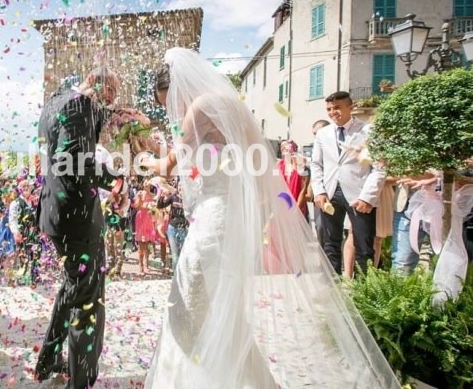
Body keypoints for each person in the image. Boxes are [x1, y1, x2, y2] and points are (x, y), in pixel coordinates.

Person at [140, 48, 400, 389]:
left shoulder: (199, 108)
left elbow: (170, 166)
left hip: (213, 220)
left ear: (179, 88)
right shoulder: (229, 105)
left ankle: (209, 379)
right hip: (230, 218)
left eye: (167, 101)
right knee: (223, 312)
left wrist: (146, 158)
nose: (170, 109)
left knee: (187, 311)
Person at [33, 66, 132, 389]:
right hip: (76, 220)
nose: (107, 103)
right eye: (108, 96)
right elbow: (73, 158)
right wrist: (113, 179)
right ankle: (81, 381)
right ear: (94, 85)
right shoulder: (81, 105)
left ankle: (48, 360)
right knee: (89, 301)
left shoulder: (55, 101)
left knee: (71, 287)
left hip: (56, 215)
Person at [310, 91, 386, 275]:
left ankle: (363, 294)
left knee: (364, 247)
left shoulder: (369, 131)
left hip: (359, 195)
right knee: (330, 244)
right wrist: (319, 191)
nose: (333, 112)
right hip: (330, 193)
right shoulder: (322, 134)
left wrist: (368, 197)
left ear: (350, 107)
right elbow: (316, 164)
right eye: (329, 109)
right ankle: (331, 289)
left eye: (337, 108)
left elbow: (380, 167)